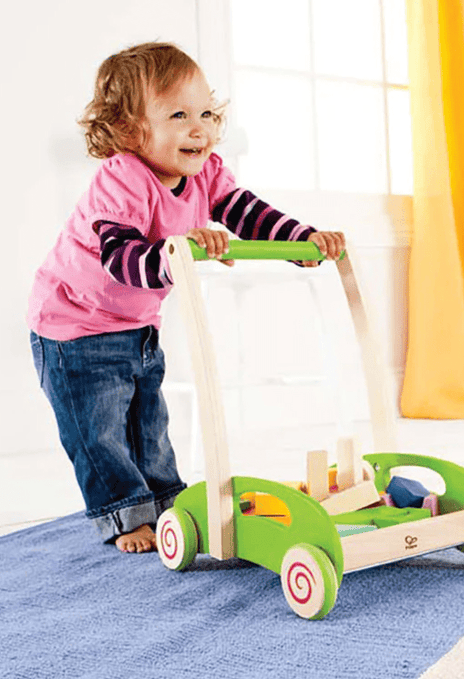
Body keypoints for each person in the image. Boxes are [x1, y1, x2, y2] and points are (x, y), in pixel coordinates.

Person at [27, 42, 345, 554]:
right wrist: (182, 248)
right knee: (100, 431)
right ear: (131, 131)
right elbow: (123, 259)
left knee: (149, 422)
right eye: (178, 115)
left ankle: (170, 504)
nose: (199, 128)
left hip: (136, 324)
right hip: (74, 328)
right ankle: (124, 514)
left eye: (206, 113)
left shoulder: (207, 172)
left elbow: (247, 213)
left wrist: (301, 243)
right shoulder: (123, 179)